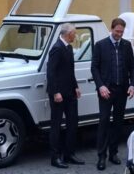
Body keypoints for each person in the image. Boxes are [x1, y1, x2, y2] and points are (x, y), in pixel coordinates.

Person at [91, 18, 134, 171]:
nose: (119, 34)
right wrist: (100, 86)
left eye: (121, 32)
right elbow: (94, 68)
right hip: (106, 90)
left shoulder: (126, 45)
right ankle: (101, 156)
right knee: (104, 121)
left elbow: (133, 68)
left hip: (121, 90)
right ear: (111, 29)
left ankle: (113, 153)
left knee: (118, 122)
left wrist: (132, 85)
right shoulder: (100, 45)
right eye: (117, 31)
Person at [47, 23, 84, 168]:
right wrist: (56, 92)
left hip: (70, 93)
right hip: (58, 94)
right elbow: (51, 72)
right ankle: (55, 158)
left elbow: (70, 71)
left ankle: (69, 154)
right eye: (74, 33)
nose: (75, 36)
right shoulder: (57, 48)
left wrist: (76, 87)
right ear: (68, 34)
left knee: (72, 123)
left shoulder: (68, 48)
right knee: (56, 125)